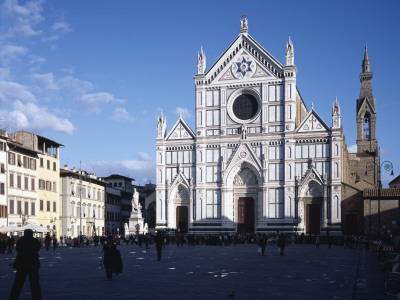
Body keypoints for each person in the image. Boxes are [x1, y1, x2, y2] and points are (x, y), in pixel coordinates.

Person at [8, 229, 42, 300]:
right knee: (35, 284)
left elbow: (17, 248)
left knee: (18, 283)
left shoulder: (21, 240)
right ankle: (37, 298)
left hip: (22, 263)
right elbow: (38, 247)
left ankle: (13, 297)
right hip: (33, 263)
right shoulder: (34, 240)